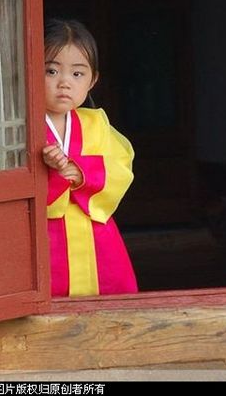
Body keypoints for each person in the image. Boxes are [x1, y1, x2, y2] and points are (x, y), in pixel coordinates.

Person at [43, 18, 138, 297]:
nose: (64, 83)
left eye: (77, 74)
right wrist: (44, 169)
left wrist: (80, 172)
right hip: (47, 236)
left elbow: (120, 168)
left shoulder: (96, 123)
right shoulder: (22, 128)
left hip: (95, 235)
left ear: (92, 80)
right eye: (51, 71)